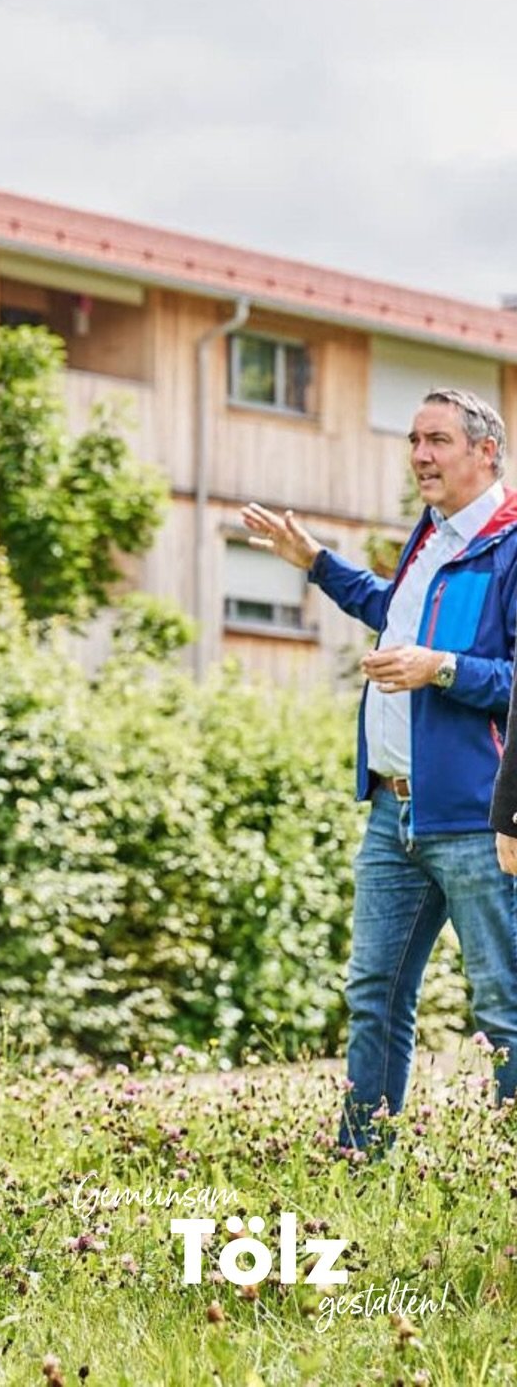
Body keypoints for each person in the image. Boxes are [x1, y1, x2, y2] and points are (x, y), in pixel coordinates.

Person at [243, 387, 517, 1151]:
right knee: (375, 996)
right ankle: (361, 1162)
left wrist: (441, 670)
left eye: (438, 441)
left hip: (478, 818)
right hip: (393, 814)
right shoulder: (429, 537)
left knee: (504, 1007)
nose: (421, 456)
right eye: (414, 440)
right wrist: (316, 564)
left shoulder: (510, 541)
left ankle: (507, 1181)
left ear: (485, 451)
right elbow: (394, 613)